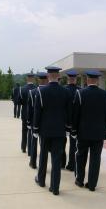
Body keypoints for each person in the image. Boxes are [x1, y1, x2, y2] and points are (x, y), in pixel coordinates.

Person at [33, 66, 72, 195]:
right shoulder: (65, 92)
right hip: (60, 131)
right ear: (59, 76)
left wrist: (36, 128)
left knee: (43, 156)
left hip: (45, 130)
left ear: (48, 76)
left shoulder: (41, 92)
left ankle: (42, 180)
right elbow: (69, 113)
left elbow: (37, 112)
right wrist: (67, 128)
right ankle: (55, 187)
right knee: (56, 160)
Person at [71, 70, 106, 191]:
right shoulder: (105, 94)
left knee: (80, 156)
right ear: (98, 80)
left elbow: (75, 115)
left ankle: (79, 180)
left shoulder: (80, 93)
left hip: (83, 132)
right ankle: (92, 184)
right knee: (95, 159)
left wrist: (74, 130)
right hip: (99, 133)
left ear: (87, 80)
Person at [27, 72, 48, 169]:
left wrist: (29, 122)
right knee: (43, 146)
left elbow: (30, 109)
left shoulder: (32, 92)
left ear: (39, 80)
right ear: (46, 80)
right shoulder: (49, 91)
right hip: (45, 123)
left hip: (34, 121)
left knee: (34, 143)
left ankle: (33, 162)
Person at [61, 70, 81, 171]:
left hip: (64, 122)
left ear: (68, 79)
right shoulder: (80, 91)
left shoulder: (63, 90)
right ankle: (72, 164)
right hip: (76, 122)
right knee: (74, 145)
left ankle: (62, 163)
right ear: (76, 79)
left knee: (61, 143)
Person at [19, 73, 36, 153]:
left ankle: (23, 147)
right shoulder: (36, 89)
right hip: (34, 113)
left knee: (24, 131)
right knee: (33, 132)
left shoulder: (22, 89)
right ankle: (31, 149)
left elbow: (20, 102)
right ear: (33, 79)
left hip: (25, 112)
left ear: (27, 79)